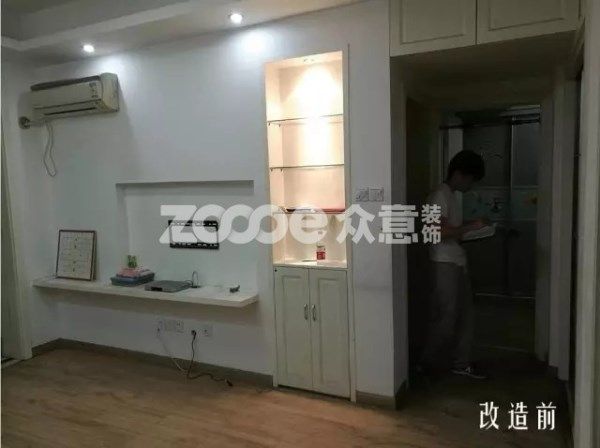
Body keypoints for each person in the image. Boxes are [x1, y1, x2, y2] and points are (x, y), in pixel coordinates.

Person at [420, 150, 488, 379]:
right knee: (446, 317)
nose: (471, 185)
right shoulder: (439, 196)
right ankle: (428, 363)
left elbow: (451, 228)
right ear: (460, 174)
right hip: (444, 263)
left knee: (464, 315)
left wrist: (473, 226)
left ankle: (460, 362)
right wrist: (471, 227)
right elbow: (434, 231)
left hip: (456, 261)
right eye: (471, 179)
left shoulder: (451, 196)